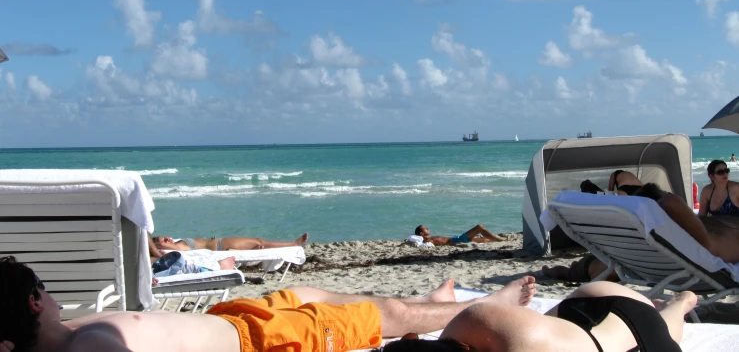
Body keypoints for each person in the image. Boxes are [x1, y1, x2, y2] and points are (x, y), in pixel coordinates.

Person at [0, 255, 536, 352]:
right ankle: (491, 304)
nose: (52, 296)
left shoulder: (76, 332)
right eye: (43, 291)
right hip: (265, 340)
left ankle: (428, 299)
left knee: (319, 292)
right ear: (32, 303)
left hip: (231, 319)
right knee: (380, 319)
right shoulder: (92, 345)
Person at [381, 281, 694, 352]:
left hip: (631, 323)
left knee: (670, 318)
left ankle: (680, 301)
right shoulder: (471, 321)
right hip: (586, 300)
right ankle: (679, 301)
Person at [149, 232, 309, 258]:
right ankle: (294, 243)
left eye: (165, 237)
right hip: (221, 247)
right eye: (163, 241)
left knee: (258, 242)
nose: (167, 239)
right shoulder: (173, 251)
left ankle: (293, 243)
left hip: (220, 243)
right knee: (259, 242)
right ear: (159, 247)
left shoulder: (176, 244)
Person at [414, 225, 503, 246]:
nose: (428, 228)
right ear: (422, 233)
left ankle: (499, 240)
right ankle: (499, 240)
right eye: (426, 229)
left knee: (482, 239)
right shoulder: (428, 240)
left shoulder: (430, 238)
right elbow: (423, 244)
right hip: (456, 240)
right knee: (479, 227)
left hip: (457, 239)